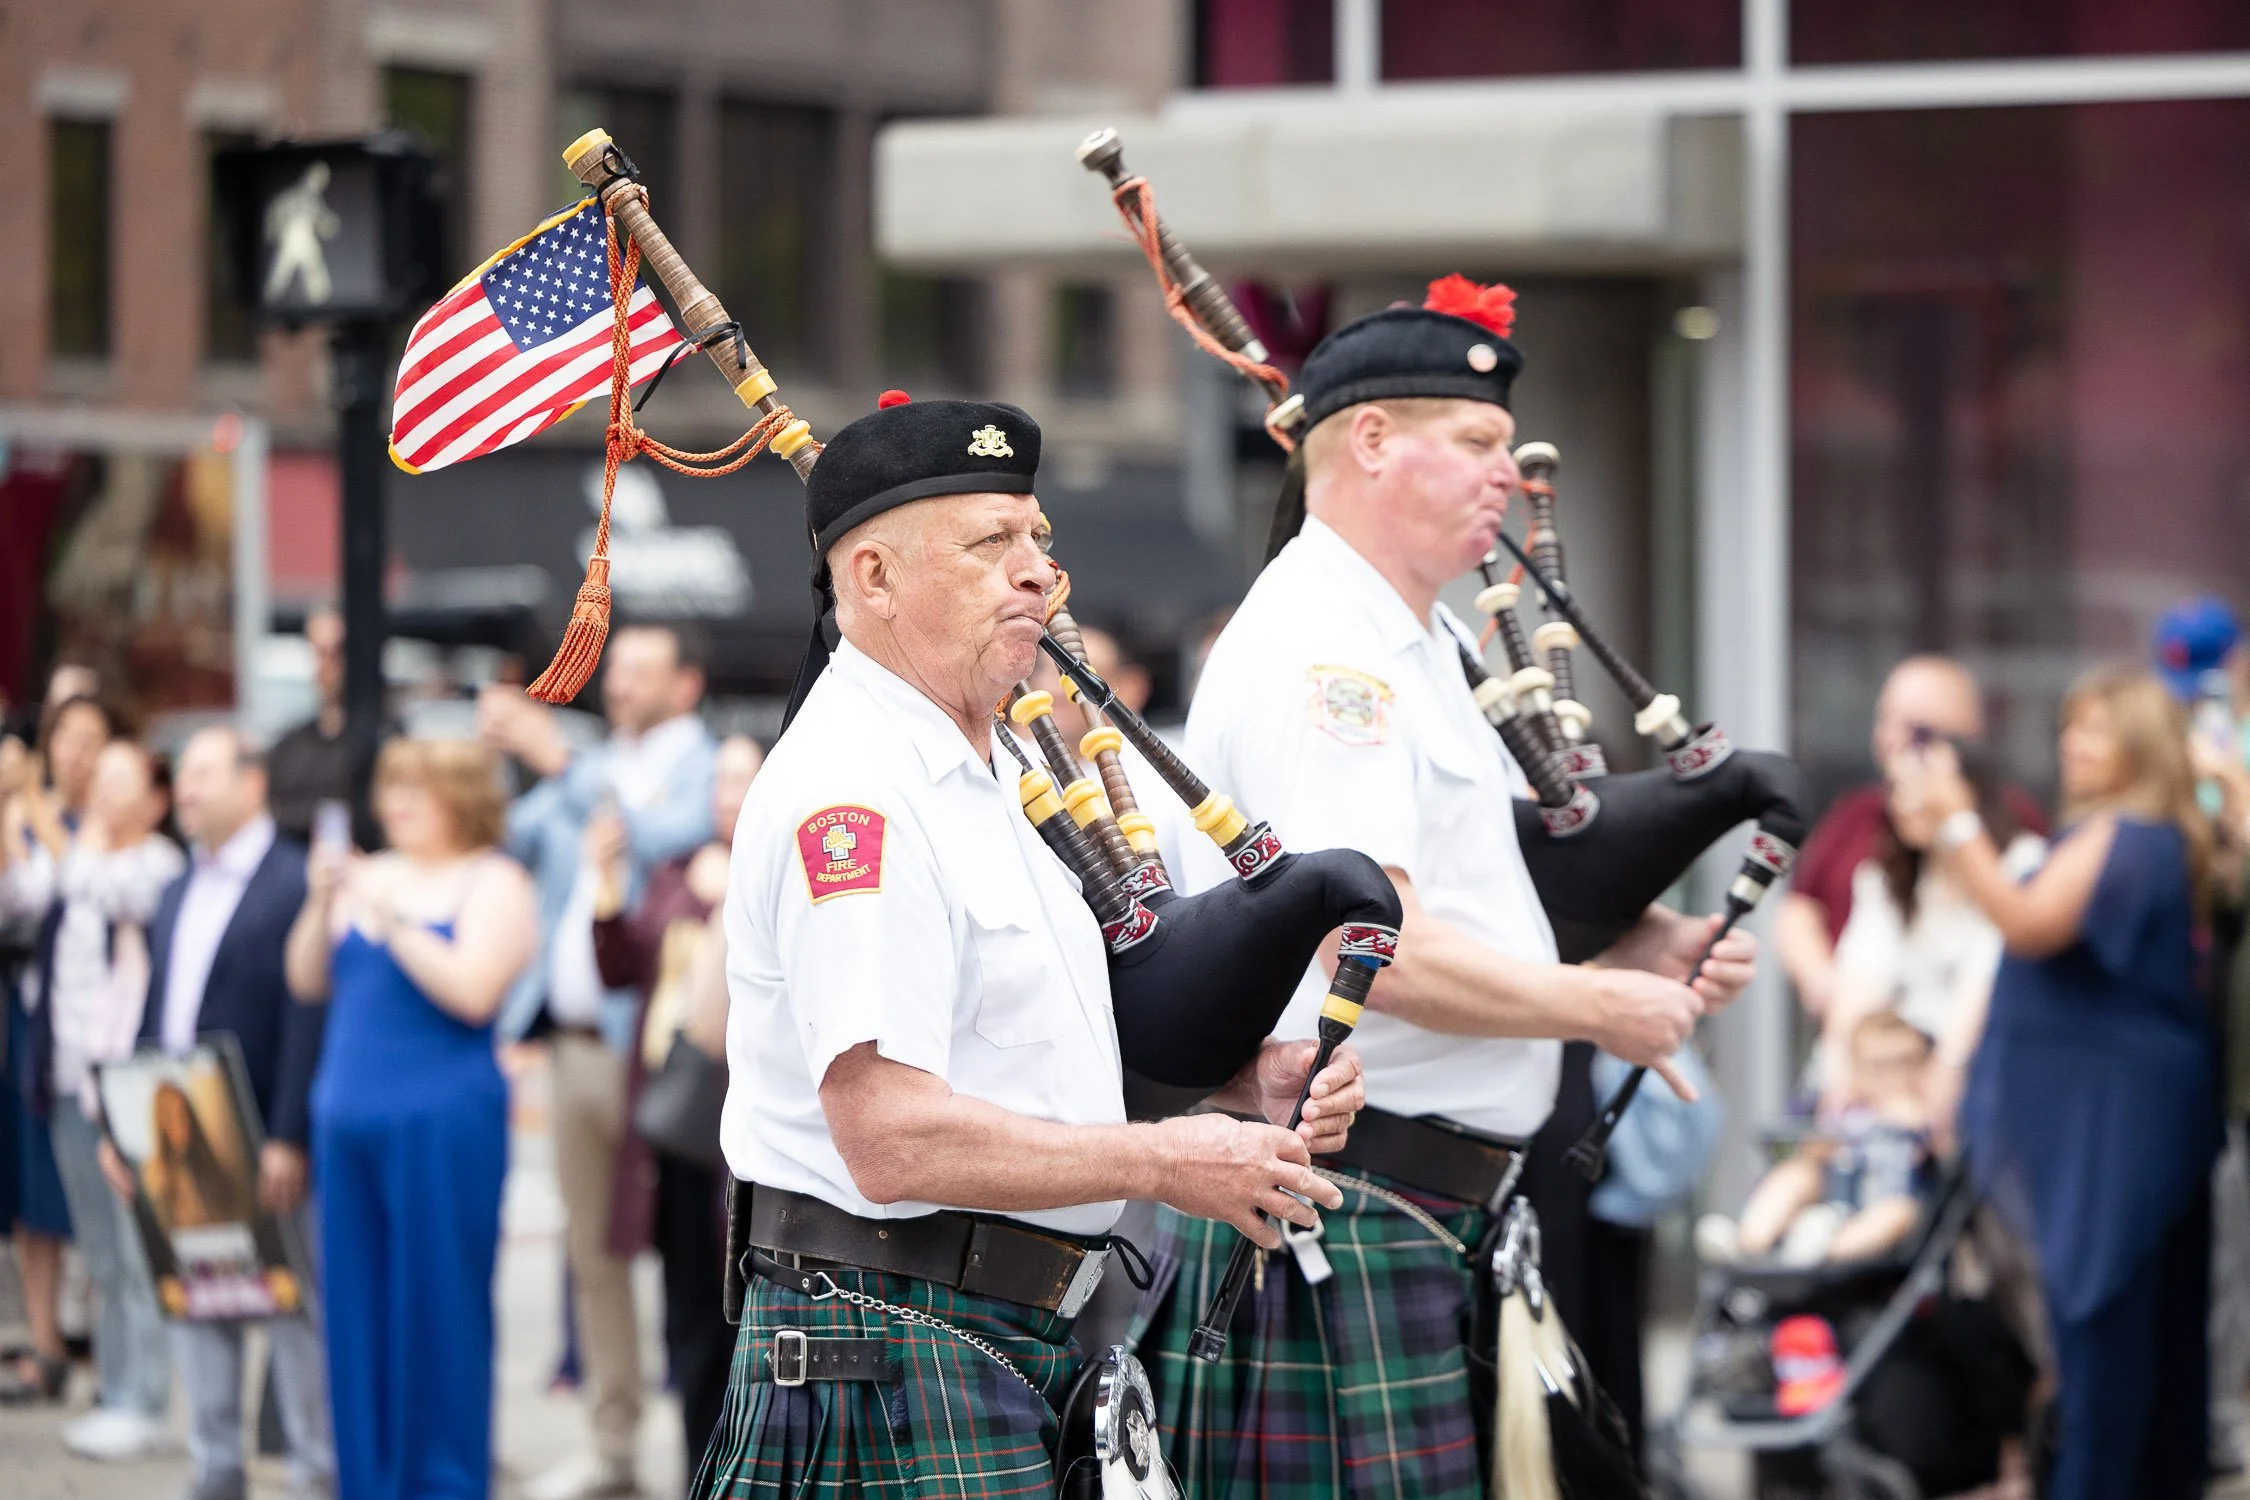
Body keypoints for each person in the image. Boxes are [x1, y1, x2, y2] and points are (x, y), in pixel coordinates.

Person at [1126, 281, 1758, 1499]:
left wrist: (1645, 946)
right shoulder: (1328, 653)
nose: (1507, 478)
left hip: (1415, 1204)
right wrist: (1593, 1007)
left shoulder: (1413, 639)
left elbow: (1463, 892)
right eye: (1471, 443)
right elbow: (1375, 954)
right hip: (1350, 1197)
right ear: (1368, 442)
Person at [699, 392, 1367, 1498]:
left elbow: (1030, 1047)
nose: (1037, 573)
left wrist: (1240, 1086)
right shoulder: (854, 793)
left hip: (988, 1341)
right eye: (990, 542)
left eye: (1040, 539)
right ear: (871, 579)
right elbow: (889, 1137)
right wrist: (1163, 1163)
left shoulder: (1007, 771)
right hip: (883, 1352)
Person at [1894, 664, 2221, 1499]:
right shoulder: (2141, 838)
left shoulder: (2131, 834)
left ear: (2140, 746)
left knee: (2102, 1322)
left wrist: (1957, 824)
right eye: (2070, 728)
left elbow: (2029, 924)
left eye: (2096, 730)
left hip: (2115, 1125)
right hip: (2122, 1116)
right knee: (2134, 1327)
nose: (2072, 745)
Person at [483, 622, 716, 1500]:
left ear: (686, 686)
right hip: (576, 1050)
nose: (617, 685)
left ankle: (710, 1443)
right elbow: (511, 836)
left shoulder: (701, 766)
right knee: (593, 1255)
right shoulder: (582, 767)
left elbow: (666, 837)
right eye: (614, 671)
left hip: (664, 1059)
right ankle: (612, 1444)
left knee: (694, 1256)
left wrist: (558, 762)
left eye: (640, 672)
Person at [286, 737, 537, 1500]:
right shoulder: (368, 874)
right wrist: (324, 899)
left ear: (459, 799)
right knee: (354, 1311)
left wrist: (391, 918)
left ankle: (442, 1479)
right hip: (347, 1125)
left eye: (414, 790)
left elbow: (475, 991)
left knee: (438, 1305)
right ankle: (365, 1477)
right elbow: (306, 979)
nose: (394, 804)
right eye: (390, 788)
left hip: (441, 1127)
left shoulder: (495, 881)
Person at [117, 726, 333, 1500]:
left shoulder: (293, 880)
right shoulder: (177, 887)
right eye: (183, 776)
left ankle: (314, 1469)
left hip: (260, 1130)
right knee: (197, 1296)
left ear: (252, 782)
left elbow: (308, 1017)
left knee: (289, 1306)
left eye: (205, 773)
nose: (187, 789)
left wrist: (288, 1133)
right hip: (176, 1126)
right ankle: (215, 1465)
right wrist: (126, 1118)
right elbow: (159, 1005)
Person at [589, 731, 763, 1472]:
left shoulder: (773, 866)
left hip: (747, 1124)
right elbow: (620, 964)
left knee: (745, 1326)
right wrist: (606, 883)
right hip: (679, 1125)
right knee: (689, 1315)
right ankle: (697, 1471)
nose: (727, 797)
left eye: (741, 780)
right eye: (718, 783)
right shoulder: (676, 871)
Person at [4, 739, 183, 1455]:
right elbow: (24, 892)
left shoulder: (159, 866)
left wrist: (68, 832)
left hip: (132, 1082)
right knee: (101, 1253)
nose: (103, 796)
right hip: (71, 1077)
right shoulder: (75, 859)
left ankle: (147, 1400)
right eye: (99, 783)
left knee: (142, 1251)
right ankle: (114, 1390)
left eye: (120, 782)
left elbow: (108, 891)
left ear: (156, 799)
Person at [1776, 655, 2046, 1027]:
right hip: (1870, 1036)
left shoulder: (2015, 831)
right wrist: (1832, 994)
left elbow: (2008, 929)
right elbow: (1802, 910)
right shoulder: (1863, 820)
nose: (1892, 739)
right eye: (1884, 720)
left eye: (1917, 731)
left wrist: (1955, 822)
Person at [0, 692, 113, 1407]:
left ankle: (108, 1351)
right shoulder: (21, 817)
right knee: (31, 1191)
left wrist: (29, 809)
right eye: (62, 737)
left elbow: (63, 886)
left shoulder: (109, 822)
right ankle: (44, 1347)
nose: (72, 752)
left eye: (88, 738)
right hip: (29, 1021)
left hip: (96, 1028)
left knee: (97, 1201)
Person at [1701, 1012, 1938, 1266]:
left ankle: (1821, 1254)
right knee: (1796, 1174)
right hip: (1832, 1195)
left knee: (1897, 1213)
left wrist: (1919, 1126)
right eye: (1879, 1066)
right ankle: (1749, 1241)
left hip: (1884, 1202)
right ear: (1857, 1069)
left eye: (1903, 1063)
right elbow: (1812, 1152)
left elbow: (1940, 1157)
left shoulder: (1926, 1114)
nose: (1891, 1076)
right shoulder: (1843, 1111)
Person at [265, 606, 360, 846]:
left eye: (337, 652)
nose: (328, 665)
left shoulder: (383, 738)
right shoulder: (288, 746)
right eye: (320, 652)